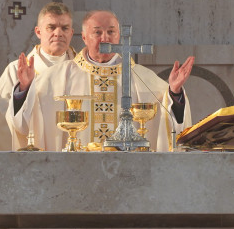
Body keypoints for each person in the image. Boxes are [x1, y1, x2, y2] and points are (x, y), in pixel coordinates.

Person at [11, 10, 194, 151]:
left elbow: (171, 119)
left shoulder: (140, 76)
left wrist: (174, 92)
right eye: (97, 32)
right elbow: (26, 122)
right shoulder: (57, 77)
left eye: (111, 32)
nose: (105, 38)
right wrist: (25, 88)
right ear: (84, 37)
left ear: (119, 36)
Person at [0, 2, 76, 150]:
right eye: (51, 27)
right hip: (31, 156)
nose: (58, 33)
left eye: (64, 28)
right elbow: (2, 123)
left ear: (71, 33)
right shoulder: (14, 71)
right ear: (38, 32)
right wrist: (23, 90)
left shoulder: (82, 71)